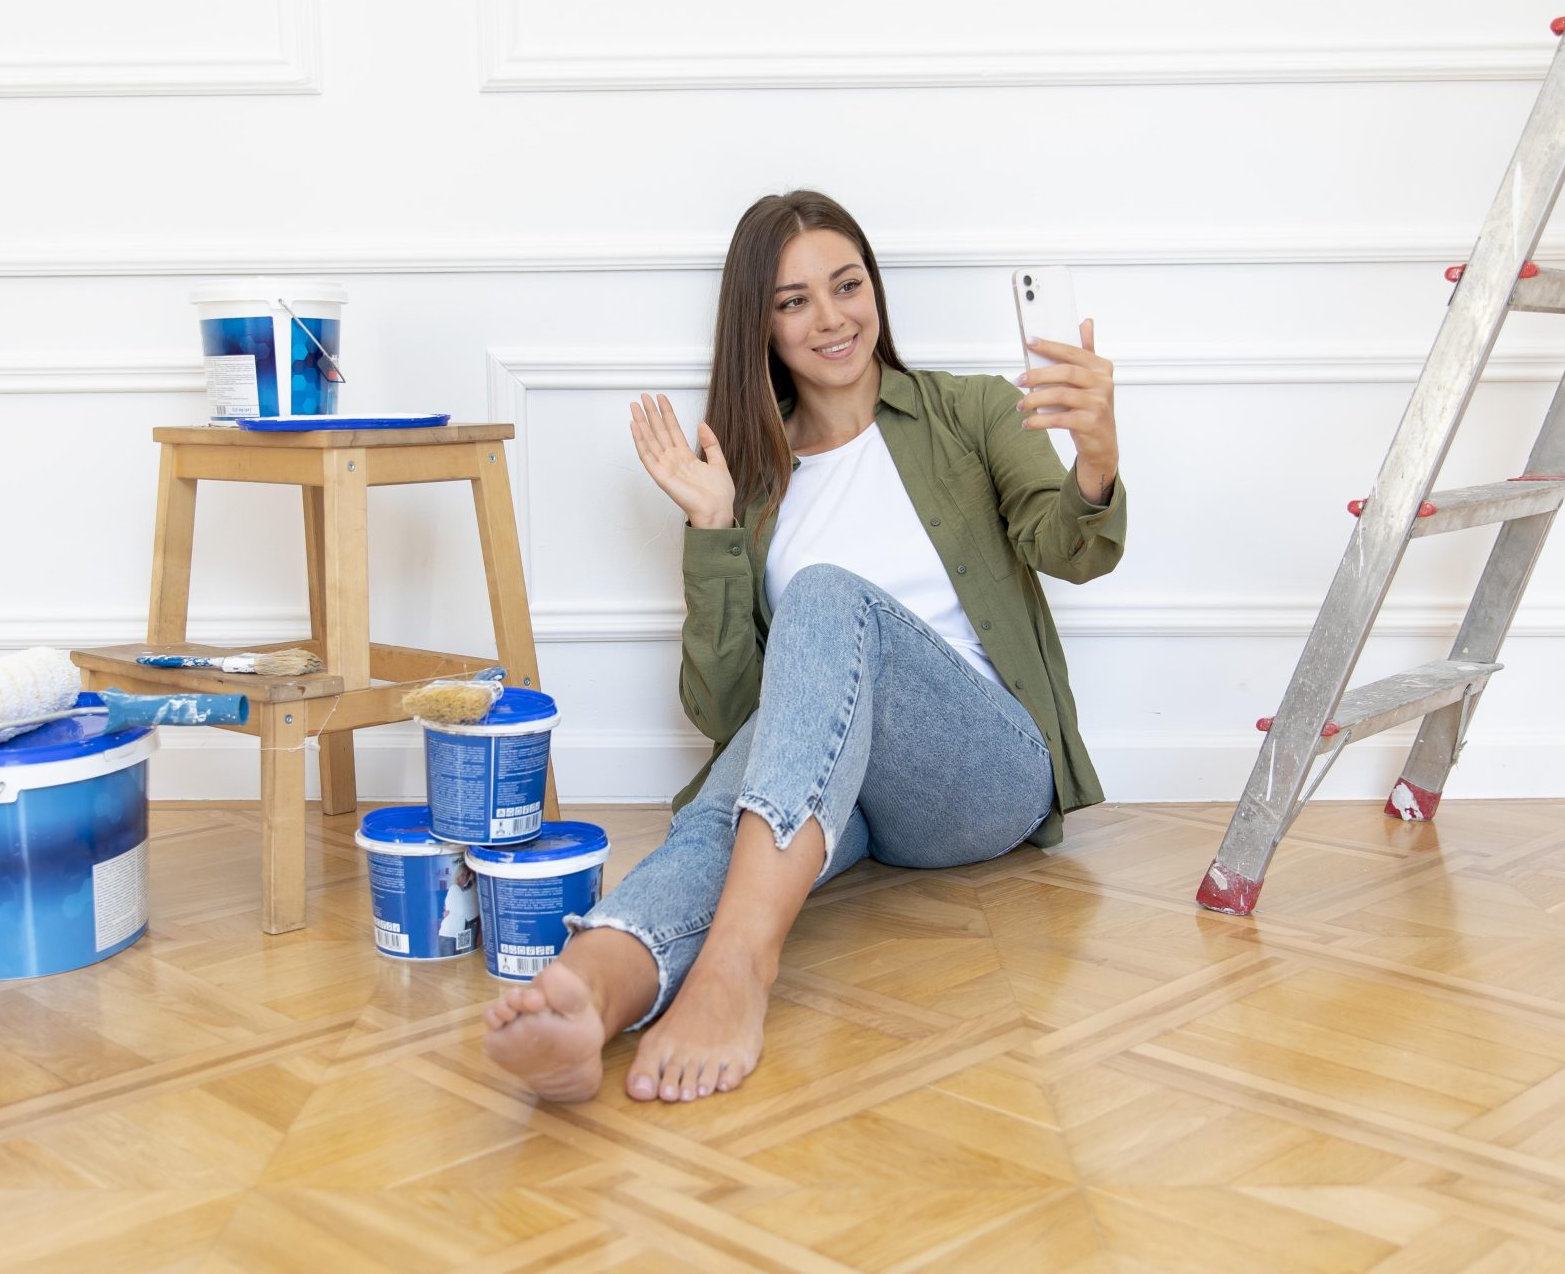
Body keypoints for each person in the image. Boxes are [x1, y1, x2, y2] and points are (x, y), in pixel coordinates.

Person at [483, 190, 1128, 1103]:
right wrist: (711, 526)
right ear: (763, 328)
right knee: (731, 811)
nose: (830, 319)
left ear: (875, 291)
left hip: (983, 777)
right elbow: (733, 712)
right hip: (848, 798)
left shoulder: (970, 411)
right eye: (793, 302)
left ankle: (739, 968)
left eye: (846, 286)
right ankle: (595, 983)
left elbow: (1075, 549)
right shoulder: (749, 481)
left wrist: (1095, 458)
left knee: (826, 598)